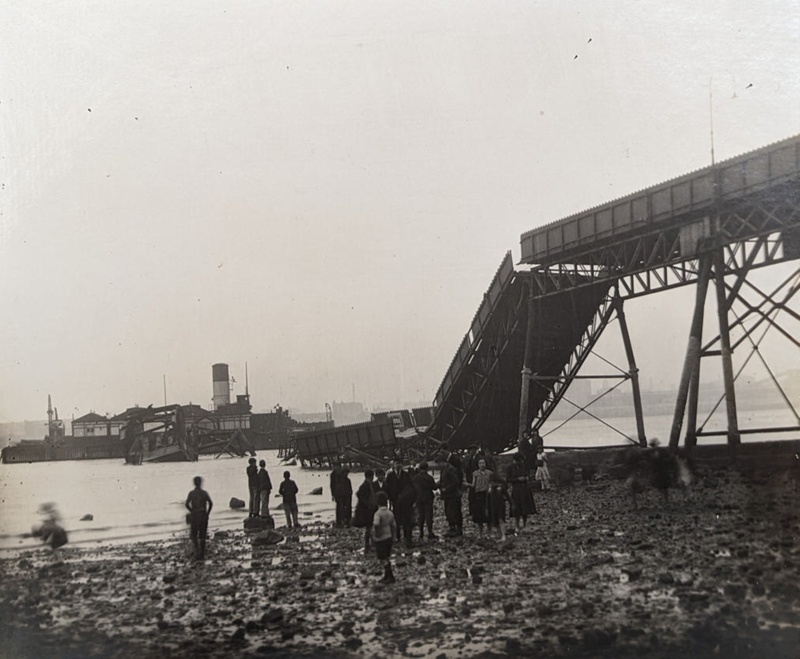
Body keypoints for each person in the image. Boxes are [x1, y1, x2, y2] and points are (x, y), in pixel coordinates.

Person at [185, 476, 213, 560]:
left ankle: (197, 549)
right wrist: (207, 514)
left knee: (194, 534)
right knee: (202, 535)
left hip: (195, 515)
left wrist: (192, 511)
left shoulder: (191, 493)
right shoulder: (204, 493)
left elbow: (186, 504)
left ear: (194, 483)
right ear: (201, 483)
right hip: (203, 514)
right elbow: (210, 504)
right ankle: (202, 552)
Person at [507, 452, 536, 531]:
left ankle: (524, 524)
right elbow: (508, 479)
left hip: (525, 488)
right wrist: (517, 479)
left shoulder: (524, 465)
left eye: (521, 460)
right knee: (517, 507)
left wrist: (527, 478)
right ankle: (517, 525)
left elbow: (528, 474)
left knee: (525, 507)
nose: (521, 462)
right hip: (516, 488)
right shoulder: (510, 467)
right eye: (519, 460)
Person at [372, 491, 397, 583]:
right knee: (386, 556)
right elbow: (394, 525)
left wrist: (376, 534)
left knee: (382, 558)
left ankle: (389, 575)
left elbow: (376, 524)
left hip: (381, 539)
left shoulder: (377, 514)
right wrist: (394, 536)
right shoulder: (390, 513)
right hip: (389, 537)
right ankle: (388, 575)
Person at [438, 452, 463, 537]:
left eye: (439, 463)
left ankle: (457, 529)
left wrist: (446, 488)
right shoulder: (444, 469)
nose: (439, 465)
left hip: (453, 494)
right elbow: (442, 480)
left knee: (454, 511)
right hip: (447, 495)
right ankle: (452, 528)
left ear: (443, 462)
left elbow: (456, 481)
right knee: (448, 512)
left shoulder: (450, 469)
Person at [466, 458, 492, 537]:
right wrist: (467, 485)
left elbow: (492, 482)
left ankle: (489, 533)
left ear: (485, 464)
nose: (482, 465)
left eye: (483, 463)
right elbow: (473, 485)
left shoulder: (490, 473)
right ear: (478, 465)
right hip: (479, 495)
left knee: (488, 515)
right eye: (480, 463)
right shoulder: (475, 473)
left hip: (487, 494)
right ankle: (480, 534)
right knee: (479, 515)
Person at [412, 462, 438, 541]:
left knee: (421, 515)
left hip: (419, 498)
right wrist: (439, 483)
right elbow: (434, 488)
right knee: (429, 516)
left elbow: (413, 488)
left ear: (419, 468)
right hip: (428, 498)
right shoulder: (429, 477)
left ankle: (421, 533)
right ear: (427, 468)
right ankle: (430, 532)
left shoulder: (415, 478)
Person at [353, 469, 378, 553]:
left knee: (369, 527)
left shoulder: (367, 485)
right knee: (368, 527)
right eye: (372, 477)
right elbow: (360, 495)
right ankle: (368, 544)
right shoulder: (365, 486)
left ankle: (370, 544)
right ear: (370, 477)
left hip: (368, 508)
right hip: (367, 510)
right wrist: (368, 504)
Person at [487, 472, 511, 542]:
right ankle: (499, 534)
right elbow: (487, 499)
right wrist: (487, 508)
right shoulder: (490, 489)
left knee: (501, 520)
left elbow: (508, 496)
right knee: (494, 522)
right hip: (492, 507)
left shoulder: (501, 487)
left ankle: (503, 535)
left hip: (501, 506)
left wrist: (511, 504)